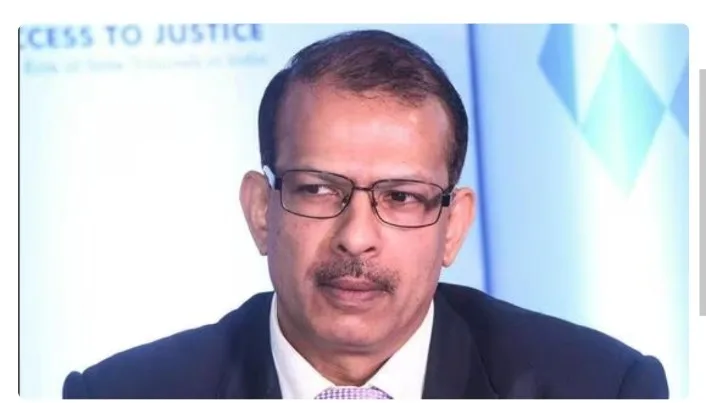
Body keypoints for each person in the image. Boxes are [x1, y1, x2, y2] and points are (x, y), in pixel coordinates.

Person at [62, 29, 669, 399]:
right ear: (261, 212)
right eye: (318, 190)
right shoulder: (122, 394)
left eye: (401, 196)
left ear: (453, 226)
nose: (356, 238)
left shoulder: (601, 388)